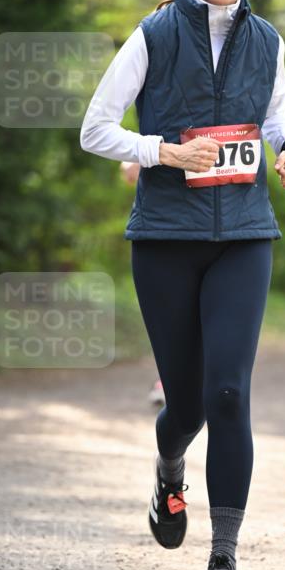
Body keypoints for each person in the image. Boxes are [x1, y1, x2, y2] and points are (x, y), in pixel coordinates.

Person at [81, 0, 285, 570]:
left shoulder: (267, 39)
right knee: (185, 406)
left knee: (228, 393)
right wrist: (164, 152)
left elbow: (275, 117)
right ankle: (168, 466)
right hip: (165, 240)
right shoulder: (153, 35)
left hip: (244, 235)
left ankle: (224, 559)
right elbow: (95, 130)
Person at [120, 160, 165, 407]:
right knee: (173, 316)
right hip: (159, 228)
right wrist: (130, 164)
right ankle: (168, 381)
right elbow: (128, 160)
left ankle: (207, 382)